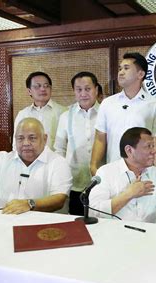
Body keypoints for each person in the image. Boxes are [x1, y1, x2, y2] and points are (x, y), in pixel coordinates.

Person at [90, 52, 156, 175]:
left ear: (140, 74)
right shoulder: (108, 103)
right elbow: (100, 139)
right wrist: (93, 166)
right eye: (120, 69)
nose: (121, 72)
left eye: (126, 68)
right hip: (113, 172)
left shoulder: (155, 104)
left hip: (144, 173)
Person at [89, 127, 156, 224]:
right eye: (148, 146)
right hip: (115, 235)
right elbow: (94, 212)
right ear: (129, 150)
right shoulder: (106, 173)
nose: (154, 151)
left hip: (149, 236)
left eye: (153, 146)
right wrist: (129, 194)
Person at [54, 72, 100, 215]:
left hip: (102, 180)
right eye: (79, 89)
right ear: (74, 91)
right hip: (75, 182)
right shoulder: (66, 116)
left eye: (88, 89)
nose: (83, 93)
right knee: (77, 225)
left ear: (96, 90)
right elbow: (59, 148)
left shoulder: (107, 112)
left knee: (103, 222)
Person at [13, 71, 65, 151]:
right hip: (30, 161)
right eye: (37, 86)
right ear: (29, 91)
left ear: (51, 89)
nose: (43, 89)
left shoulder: (63, 112)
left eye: (46, 86)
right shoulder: (23, 114)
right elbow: (16, 145)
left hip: (55, 161)